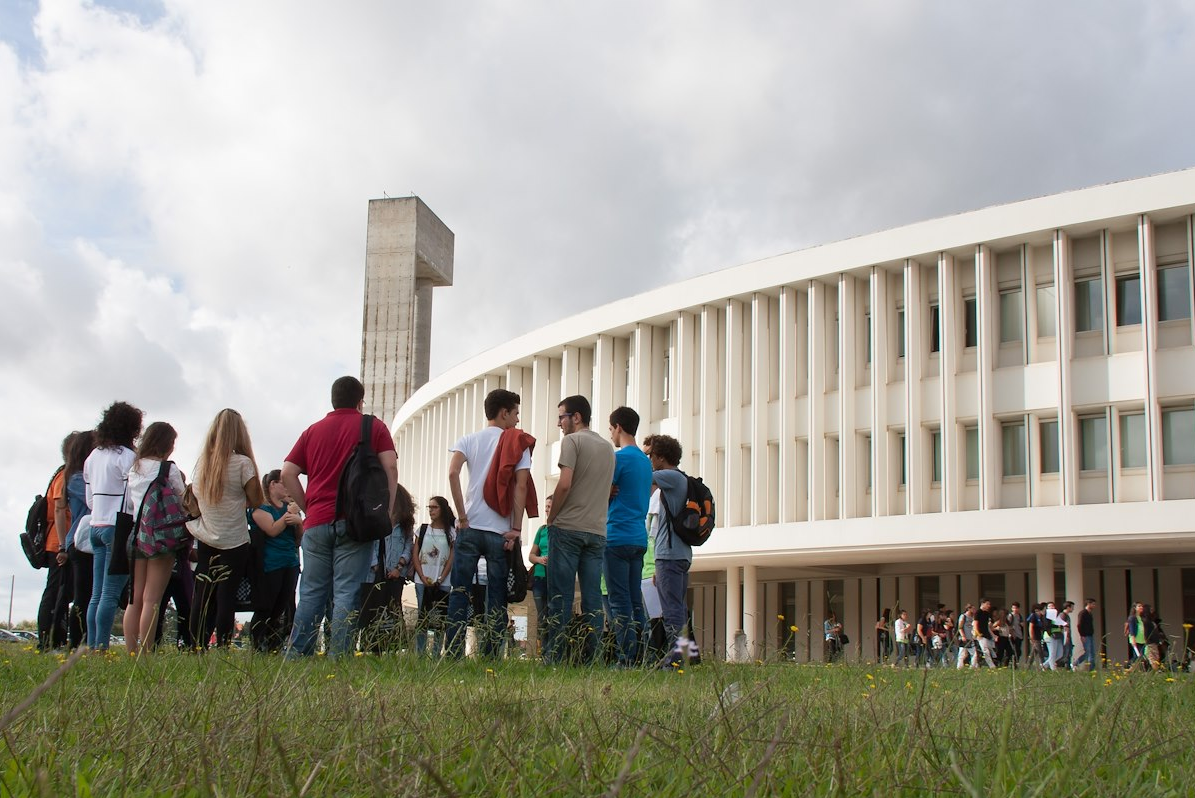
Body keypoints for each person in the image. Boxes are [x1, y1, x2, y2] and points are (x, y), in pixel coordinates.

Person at [283, 376, 398, 657]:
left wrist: (308, 507)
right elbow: (390, 467)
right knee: (347, 591)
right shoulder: (373, 427)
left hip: (316, 523)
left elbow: (287, 472)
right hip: (356, 522)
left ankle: (297, 655)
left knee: (311, 591)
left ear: (333, 400)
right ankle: (339, 658)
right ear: (360, 401)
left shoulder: (312, 431)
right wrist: (387, 510)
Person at [446, 388, 532, 659]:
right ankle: (491, 656)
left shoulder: (469, 439)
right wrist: (516, 528)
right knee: (496, 596)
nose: (517, 419)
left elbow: (452, 473)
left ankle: (453, 653)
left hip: (470, 527)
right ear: (504, 413)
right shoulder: (517, 443)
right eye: (515, 413)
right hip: (500, 532)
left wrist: (462, 516)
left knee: (460, 592)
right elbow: (521, 486)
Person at [542, 395, 614, 665]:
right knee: (593, 599)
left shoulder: (571, 441)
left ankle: (555, 658)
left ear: (577, 417)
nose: (559, 423)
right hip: (597, 532)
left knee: (560, 598)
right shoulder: (608, 448)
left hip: (568, 528)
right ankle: (593, 659)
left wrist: (552, 518)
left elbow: (564, 484)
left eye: (561, 417)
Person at [190, 408, 264, 649]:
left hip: (206, 536)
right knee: (226, 596)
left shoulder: (203, 463)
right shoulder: (243, 463)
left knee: (203, 595)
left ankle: (195, 645)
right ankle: (222, 645)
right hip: (234, 538)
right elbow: (256, 499)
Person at [124, 422, 188, 655]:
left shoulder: (134, 468)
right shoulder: (168, 469)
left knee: (135, 599)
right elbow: (182, 502)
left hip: (137, 534)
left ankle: (131, 652)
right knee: (152, 599)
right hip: (161, 537)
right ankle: (146, 653)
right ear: (167, 444)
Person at [84, 401, 143, 650]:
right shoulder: (127, 457)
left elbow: (89, 499)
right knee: (110, 594)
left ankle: (92, 646)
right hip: (117, 526)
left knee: (96, 594)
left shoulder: (93, 456)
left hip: (95, 524)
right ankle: (101, 648)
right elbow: (134, 498)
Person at [603, 406, 651, 667]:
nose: (611, 434)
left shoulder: (618, 458)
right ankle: (643, 654)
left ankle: (627, 658)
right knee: (634, 600)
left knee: (618, 601)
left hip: (617, 536)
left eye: (611, 429)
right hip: (638, 537)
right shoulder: (645, 461)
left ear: (618, 427)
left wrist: (606, 491)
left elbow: (600, 491)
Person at [248, 470, 303, 652]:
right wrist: (288, 516)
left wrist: (298, 522)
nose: (288, 489)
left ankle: (274, 644)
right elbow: (271, 530)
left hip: (291, 562)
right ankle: (257, 644)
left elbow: (299, 538)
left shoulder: (290, 506)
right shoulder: (260, 508)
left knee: (282, 606)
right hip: (270, 563)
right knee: (266, 606)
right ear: (272, 484)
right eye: (284, 484)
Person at [38, 432, 77, 651]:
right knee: (55, 592)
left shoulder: (63, 474)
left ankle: (57, 639)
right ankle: (47, 641)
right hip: (58, 545)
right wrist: (63, 546)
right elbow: (59, 509)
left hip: (62, 543)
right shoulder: (65, 475)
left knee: (62, 593)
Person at [62, 430, 96, 649]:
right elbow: (95, 500)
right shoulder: (76, 478)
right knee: (82, 595)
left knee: (90, 594)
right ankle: (76, 642)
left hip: (89, 540)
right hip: (81, 541)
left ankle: (87, 640)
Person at [413, 496, 455, 656]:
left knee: (439, 617)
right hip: (422, 580)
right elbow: (415, 554)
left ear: (442, 509)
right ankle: (420, 653)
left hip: (443, 582)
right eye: (429, 507)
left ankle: (436, 653)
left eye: (434, 507)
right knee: (422, 617)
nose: (431, 510)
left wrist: (442, 577)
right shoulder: (422, 530)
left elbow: (452, 557)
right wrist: (421, 576)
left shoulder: (451, 532)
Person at [529, 497, 552, 626]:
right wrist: (539, 559)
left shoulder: (561, 530)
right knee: (541, 615)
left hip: (554, 576)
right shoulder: (542, 529)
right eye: (546, 507)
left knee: (552, 614)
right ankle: (541, 638)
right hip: (539, 576)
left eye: (549, 507)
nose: (546, 510)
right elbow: (531, 555)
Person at [1073, 598, 1098, 670]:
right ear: (1088, 604)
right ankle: (1075, 663)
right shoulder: (1083, 613)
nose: (1094, 606)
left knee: (1092, 653)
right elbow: (1079, 624)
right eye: (1093, 604)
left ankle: (1092, 669)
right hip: (1085, 635)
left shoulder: (1090, 613)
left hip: (1090, 635)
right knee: (1088, 652)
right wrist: (1082, 635)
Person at [973, 598, 997, 668]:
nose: (989, 606)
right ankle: (992, 666)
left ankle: (973, 665)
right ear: (982, 604)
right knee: (985, 650)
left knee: (990, 649)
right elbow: (975, 623)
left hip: (986, 634)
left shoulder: (987, 614)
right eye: (987, 604)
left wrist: (993, 635)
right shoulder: (978, 612)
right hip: (980, 635)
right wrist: (977, 633)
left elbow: (987, 626)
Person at [1007, 602, 1024, 668]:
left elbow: (1022, 624)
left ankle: (1016, 663)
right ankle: (1011, 663)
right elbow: (1009, 625)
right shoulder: (1010, 616)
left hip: (1019, 635)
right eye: (1013, 608)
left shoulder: (1020, 616)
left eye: (1016, 608)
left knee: (1018, 650)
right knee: (1013, 650)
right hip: (1012, 635)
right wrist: (1012, 633)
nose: (1015, 609)